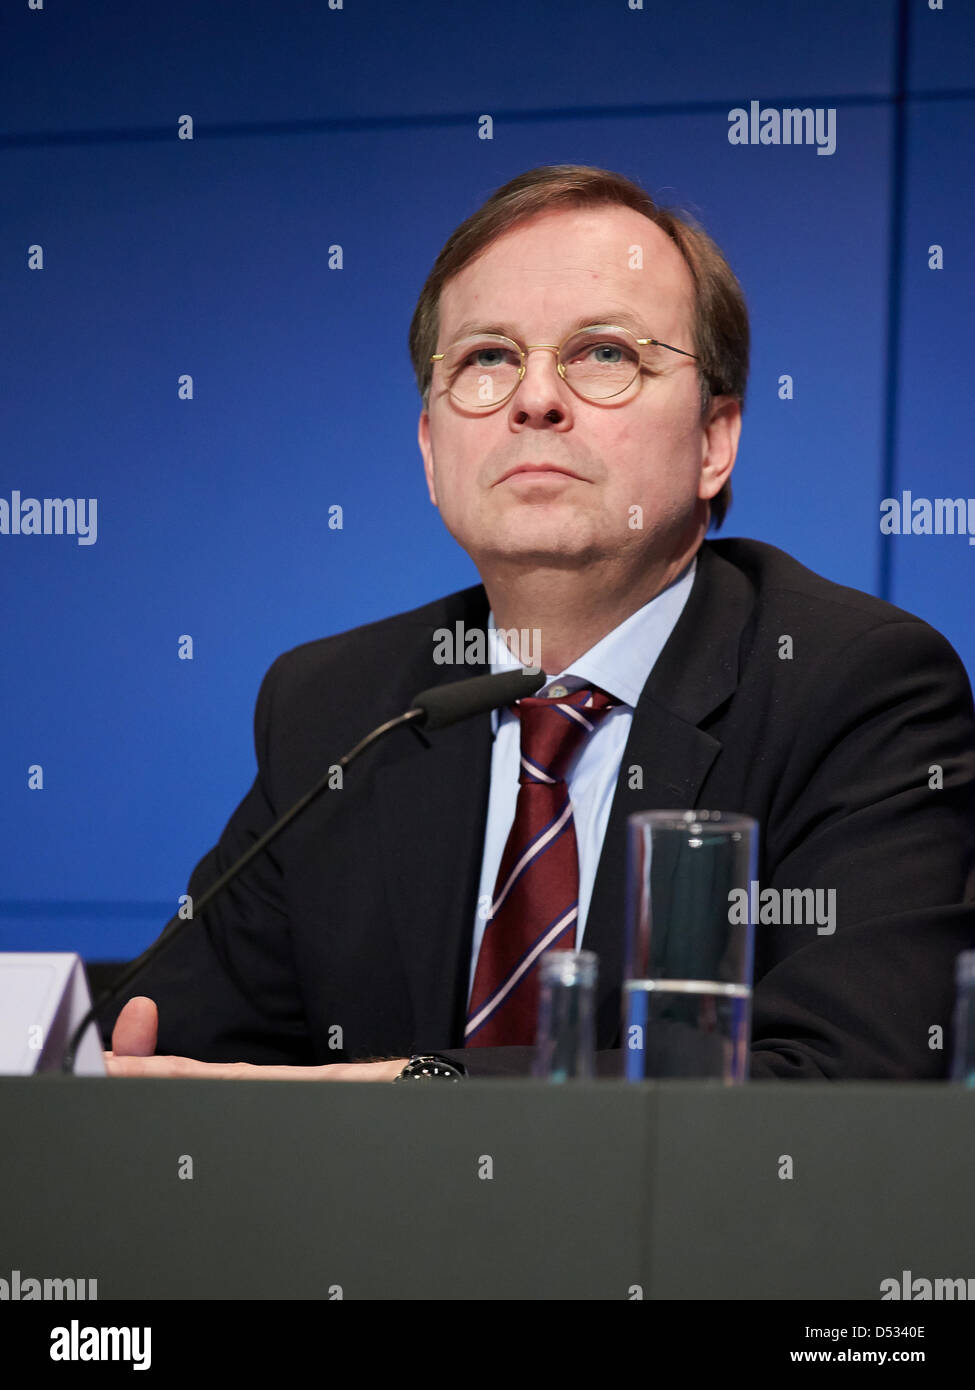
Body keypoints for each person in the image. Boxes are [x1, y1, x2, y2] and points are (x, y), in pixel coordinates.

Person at [105, 164, 975, 1082]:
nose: (534, 399)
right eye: (486, 358)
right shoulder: (338, 708)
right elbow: (177, 1060)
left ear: (714, 441)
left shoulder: (853, 687)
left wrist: (415, 1091)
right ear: (432, 451)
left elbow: (847, 1080)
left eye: (603, 353)